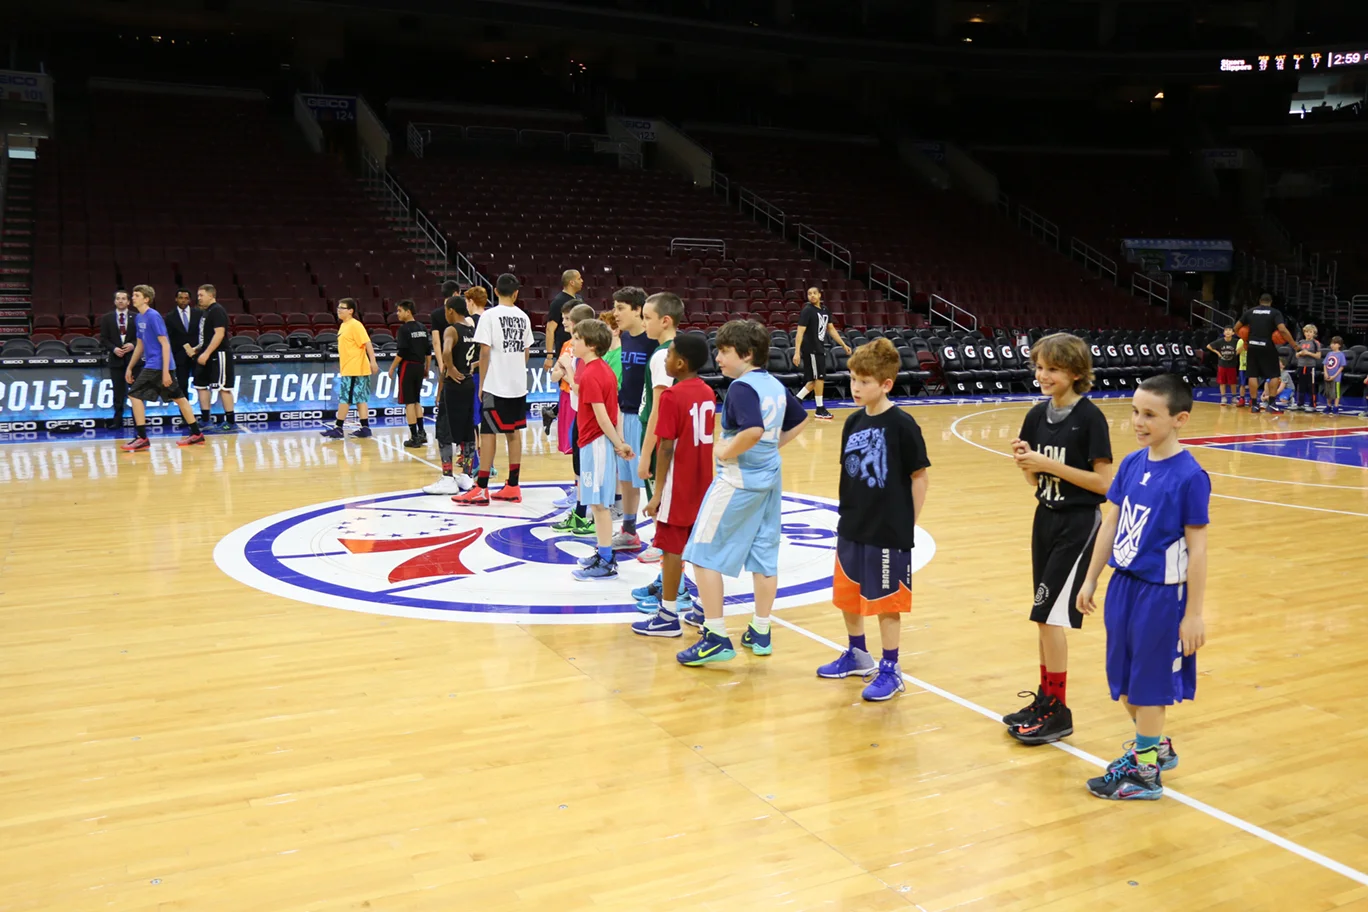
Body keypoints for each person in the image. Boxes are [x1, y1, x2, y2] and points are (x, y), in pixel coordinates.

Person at [1077, 374, 1209, 801]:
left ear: (1179, 419)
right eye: (1135, 411)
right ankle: (1154, 746)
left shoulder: (1190, 477)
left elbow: (1198, 550)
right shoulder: (1133, 463)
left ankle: (1146, 772)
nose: (1138, 421)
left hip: (1162, 596)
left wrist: (1193, 614)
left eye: (1150, 414)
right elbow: (1111, 524)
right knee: (1123, 679)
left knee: (1149, 684)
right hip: (1124, 586)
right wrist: (1092, 576)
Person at [677, 320, 810, 666]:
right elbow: (800, 419)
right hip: (770, 478)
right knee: (764, 553)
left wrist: (725, 451)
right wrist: (770, 447)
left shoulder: (740, 388)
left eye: (724, 351)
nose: (718, 358)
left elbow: (752, 430)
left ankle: (716, 636)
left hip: (738, 480)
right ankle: (761, 630)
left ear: (747, 354)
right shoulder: (774, 384)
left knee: (702, 552)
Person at [1003, 333, 1114, 744]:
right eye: (1039, 367)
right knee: (1042, 616)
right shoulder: (1036, 415)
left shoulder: (1090, 418)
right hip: (1045, 518)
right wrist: (1027, 464)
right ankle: (1046, 698)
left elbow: (1104, 484)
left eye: (1052, 368)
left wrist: (1046, 463)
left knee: (1048, 616)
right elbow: (1036, 480)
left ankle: (1059, 710)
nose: (1043, 375)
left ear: (1076, 372)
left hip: (1078, 524)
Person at [815, 338, 931, 700]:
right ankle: (857, 654)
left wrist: (908, 523)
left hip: (888, 529)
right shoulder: (852, 421)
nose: (855, 387)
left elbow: (919, 477)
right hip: (852, 523)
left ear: (886, 384)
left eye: (864, 381)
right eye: (853, 379)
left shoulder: (902, 425)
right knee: (848, 595)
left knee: (886, 602)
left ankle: (891, 668)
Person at [631, 334, 715, 637]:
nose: (665, 359)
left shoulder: (671, 396)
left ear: (680, 363)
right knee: (701, 550)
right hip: (704, 483)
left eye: (669, 355)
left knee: (670, 549)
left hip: (678, 485)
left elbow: (666, 447)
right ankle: (705, 608)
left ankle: (667, 615)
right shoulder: (708, 392)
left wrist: (657, 493)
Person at [568, 318, 636, 581]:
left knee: (598, 504)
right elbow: (614, 409)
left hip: (595, 443)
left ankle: (606, 560)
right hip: (596, 443)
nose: (573, 342)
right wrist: (620, 440)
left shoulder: (592, 374)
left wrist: (619, 444)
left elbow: (602, 416)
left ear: (591, 344)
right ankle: (603, 552)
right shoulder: (603, 369)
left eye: (577, 338)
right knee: (597, 503)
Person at [455, 273, 533, 505]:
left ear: (495, 291)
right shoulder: (524, 317)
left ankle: (481, 488)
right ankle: (513, 485)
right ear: (516, 293)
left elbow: (485, 351)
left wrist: (483, 382)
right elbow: (526, 352)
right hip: (518, 385)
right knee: (513, 432)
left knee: (488, 433)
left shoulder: (489, 316)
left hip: (496, 384)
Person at [119, 285, 205, 451]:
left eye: (136, 295)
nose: (133, 298)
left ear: (146, 299)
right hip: (154, 364)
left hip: (159, 365)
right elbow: (140, 344)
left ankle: (142, 437)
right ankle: (196, 434)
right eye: (133, 295)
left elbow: (165, 344)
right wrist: (129, 367)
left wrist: (166, 372)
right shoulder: (138, 318)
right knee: (179, 398)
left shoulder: (153, 316)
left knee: (134, 394)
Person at [635, 292, 684, 565]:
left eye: (647, 317)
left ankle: (664, 546)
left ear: (665, 320)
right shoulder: (676, 349)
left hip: (658, 436)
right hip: (671, 435)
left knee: (659, 494)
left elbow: (658, 409)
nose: (644, 323)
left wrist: (645, 455)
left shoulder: (663, 355)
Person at [610, 287, 655, 552]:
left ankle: (663, 539)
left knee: (648, 479)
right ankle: (629, 531)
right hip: (624, 414)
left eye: (620, 308)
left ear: (638, 310)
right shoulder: (624, 338)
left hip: (645, 418)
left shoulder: (653, 341)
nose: (615, 314)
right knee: (626, 478)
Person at [550, 303, 598, 535]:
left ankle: (589, 511)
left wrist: (567, 370)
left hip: (588, 414)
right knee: (578, 460)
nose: (564, 324)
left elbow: (580, 388)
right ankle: (580, 508)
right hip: (577, 408)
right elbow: (555, 376)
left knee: (587, 464)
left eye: (568, 319)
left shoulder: (590, 360)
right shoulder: (574, 352)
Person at [423, 295, 478, 495]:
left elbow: (446, 352)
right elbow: (480, 356)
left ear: (451, 310)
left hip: (454, 385)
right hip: (468, 383)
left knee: (445, 431)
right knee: (467, 430)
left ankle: (447, 478)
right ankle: (466, 476)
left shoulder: (451, 330)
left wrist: (452, 368)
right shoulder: (472, 329)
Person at [321, 298, 379, 439]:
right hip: (351, 368)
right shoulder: (344, 325)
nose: (338, 310)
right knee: (360, 399)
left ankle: (338, 428)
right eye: (338, 307)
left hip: (355, 368)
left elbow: (367, 343)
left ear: (351, 311)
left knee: (345, 399)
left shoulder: (355, 325)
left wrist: (373, 362)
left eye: (342, 307)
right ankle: (365, 428)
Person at [793, 286, 852, 421]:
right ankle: (819, 409)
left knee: (814, 380)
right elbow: (800, 332)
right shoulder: (807, 310)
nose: (812, 295)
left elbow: (831, 329)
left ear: (820, 295)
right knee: (819, 378)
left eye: (814, 293)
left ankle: (796, 401)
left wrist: (843, 344)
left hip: (819, 347)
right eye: (809, 294)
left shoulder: (825, 310)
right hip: (811, 348)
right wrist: (797, 352)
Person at [1234, 293, 1298, 415]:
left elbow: (1236, 328)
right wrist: (1294, 345)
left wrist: (1245, 340)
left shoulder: (1250, 312)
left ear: (1259, 301)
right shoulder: (1275, 312)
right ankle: (1272, 404)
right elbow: (1282, 330)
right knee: (1274, 375)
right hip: (1267, 346)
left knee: (1252, 375)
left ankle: (1254, 405)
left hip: (1252, 346)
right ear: (1271, 302)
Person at [191, 284, 237, 432]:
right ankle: (206, 420)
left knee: (224, 388)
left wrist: (206, 353)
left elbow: (219, 334)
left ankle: (231, 421)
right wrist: (198, 348)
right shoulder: (206, 312)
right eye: (198, 295)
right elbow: (206, 336)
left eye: (201, 295)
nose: (199, 298)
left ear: (211, 295)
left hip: (219, 354)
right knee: (200, 385)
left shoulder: (217, 310)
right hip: (206, 353)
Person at [389, 300, 432, 447]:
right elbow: (428, 351)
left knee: (409, 403)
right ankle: (422, 432)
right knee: (417, 401)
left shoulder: (403, 329)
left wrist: (392, 368)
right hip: (419, 366)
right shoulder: (423, 328)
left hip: (407, 366)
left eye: (400, 311)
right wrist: (427, 368)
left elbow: (401, 352)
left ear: (408, 312)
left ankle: (414, 437)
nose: (397, 313)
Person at [99, 290, 138, 430]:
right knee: (118, 392)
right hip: (116, 360)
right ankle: (117, 420)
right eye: (118, 298)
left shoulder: (137, 317)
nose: (120, 301)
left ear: (128, 301)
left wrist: (133, 345)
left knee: (136, 391)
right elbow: (103, 338)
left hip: (133, 360)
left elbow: (142, 337)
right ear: (115, 301)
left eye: (123, 298)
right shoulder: (107, 318)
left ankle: (138, 420)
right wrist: (114, 348)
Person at [543, 269, 583, 378]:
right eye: (579, 278)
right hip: (565, 350)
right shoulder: (558, 301)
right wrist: (549, 356)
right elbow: (550, 329)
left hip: (580, 348)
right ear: (571, 282)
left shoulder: (579, 299)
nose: (582, 281)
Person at [165, 288, 201, 397]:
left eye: (186, 298)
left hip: (197, 354)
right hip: (179, 355)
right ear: (176, 299)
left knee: (201, 384)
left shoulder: (199, 314)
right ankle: (185, 408)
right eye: (181, 298)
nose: (183, 300)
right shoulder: (170, 317)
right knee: (182, 385)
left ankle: (204, 407)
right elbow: (168, 338)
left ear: (190, 300)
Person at [430, 279, 460, 380]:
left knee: (444, 389)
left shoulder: (435, 314)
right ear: (455, 293)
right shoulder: (463, 313)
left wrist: (440, 364)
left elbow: (436, 342)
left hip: (444, 361)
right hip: (460, 360)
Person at [1293, 323, 1323, 413]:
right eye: (1306, 332)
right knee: (1300, 386)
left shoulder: (1315, 343)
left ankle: (1312, 405)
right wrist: (1300, 353)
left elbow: (1318, 356)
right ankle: (1300, 404)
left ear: (1314, 333)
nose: (1308, 334)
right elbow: (1296, 355)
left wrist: (1308, 353)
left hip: (1310, 367)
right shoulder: (1301, 342)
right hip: (1301, 366)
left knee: (1311, 386)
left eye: (1310, 332)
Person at [1205, 327, 1239, 407]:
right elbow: (1208, 346)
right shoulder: (1220, 341)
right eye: (1226, 330)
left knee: (1233, 382)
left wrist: (1236, 353)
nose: (1228, 332)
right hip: (1222, 364)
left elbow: (1243, 345)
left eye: (1229, 330)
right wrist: (1217, 353)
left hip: (1232, 364)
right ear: (1223, 333)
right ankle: (1223, 398)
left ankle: (1234, 397)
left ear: (1233, 333)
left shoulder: (1236, 341)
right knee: (1222, 382)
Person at [1324, 337, 1346, 415]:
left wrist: (1334, 376)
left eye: (1335, 343)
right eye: (1331, 343)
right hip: (1328, 376)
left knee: (1336, 393)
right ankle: (1328, 406)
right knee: (1328, 392)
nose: (1332, 345)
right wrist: (1326, 373)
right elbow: (1325, 364)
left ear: (1339, 345)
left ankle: (1336, 407)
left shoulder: (1341, 355)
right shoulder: (1329, 354)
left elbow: (1341, 367)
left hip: (1336, 378)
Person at [1235, 335, 1248, 407]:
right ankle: (1242, 399)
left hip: (1253, 366)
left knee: (1253, 384)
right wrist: (1244, 345)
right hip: (1243, 366)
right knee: (1242, 384)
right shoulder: (1240, 341)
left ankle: (1252, 400)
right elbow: (1237, 352)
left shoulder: (1253, 340)